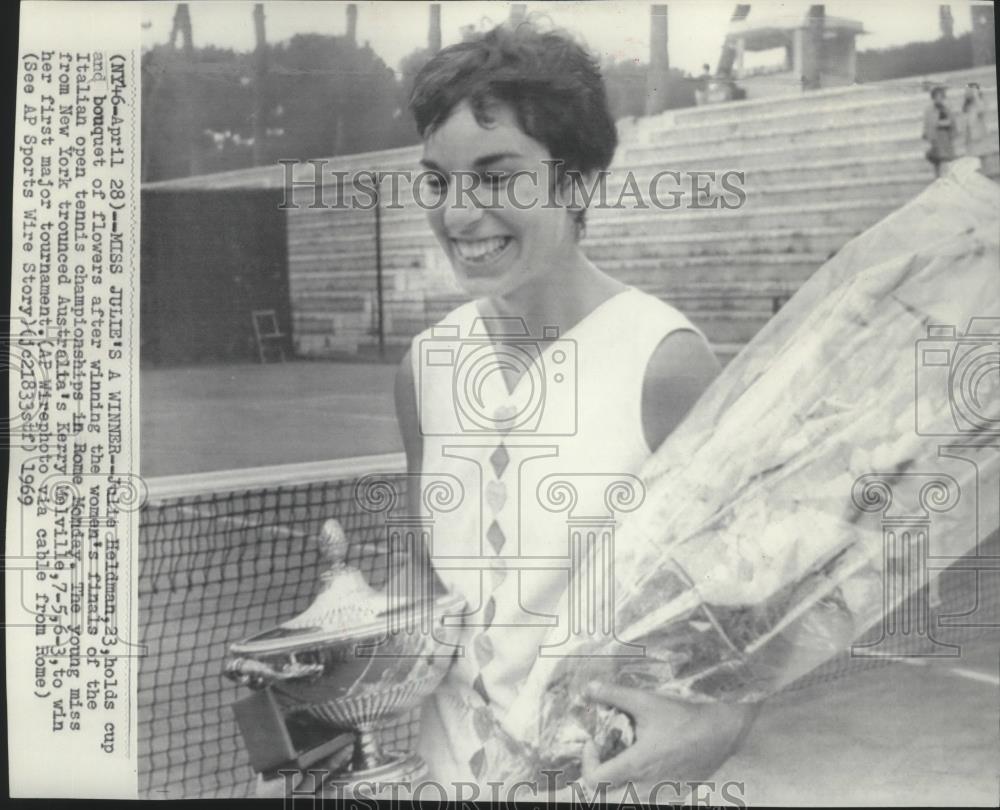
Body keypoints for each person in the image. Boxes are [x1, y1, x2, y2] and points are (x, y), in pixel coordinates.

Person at [397, 21, 757, 797]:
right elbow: (430, 572)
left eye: (496, 176)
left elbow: (745, 609)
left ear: (581, 181)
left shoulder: (665, 363)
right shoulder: (424, 366)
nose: (458, 214)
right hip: (445, 780)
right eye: (438, 180)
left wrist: (724, 724)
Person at [922, 85, 958, 178]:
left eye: (941, 97)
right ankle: (937, 180)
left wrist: (948, 127)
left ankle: (946, 181)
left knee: (946, 161)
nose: (939, 99)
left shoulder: (946, 109)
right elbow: (928, 124)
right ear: (933, 98)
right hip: (935, 138)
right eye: (936, 97)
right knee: (936, 161)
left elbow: (951, 122)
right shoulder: (929, 110)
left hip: (945, 137)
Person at [959, 82, 990, 166]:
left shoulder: (980, 104)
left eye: (970, 91)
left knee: (982, 162)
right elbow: (964, 123)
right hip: (969, 139)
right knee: (972, 164)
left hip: (979, 138)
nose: (967, 93)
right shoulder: (965, 107)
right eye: (967, 91)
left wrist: (976, 95)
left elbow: (981, 109)